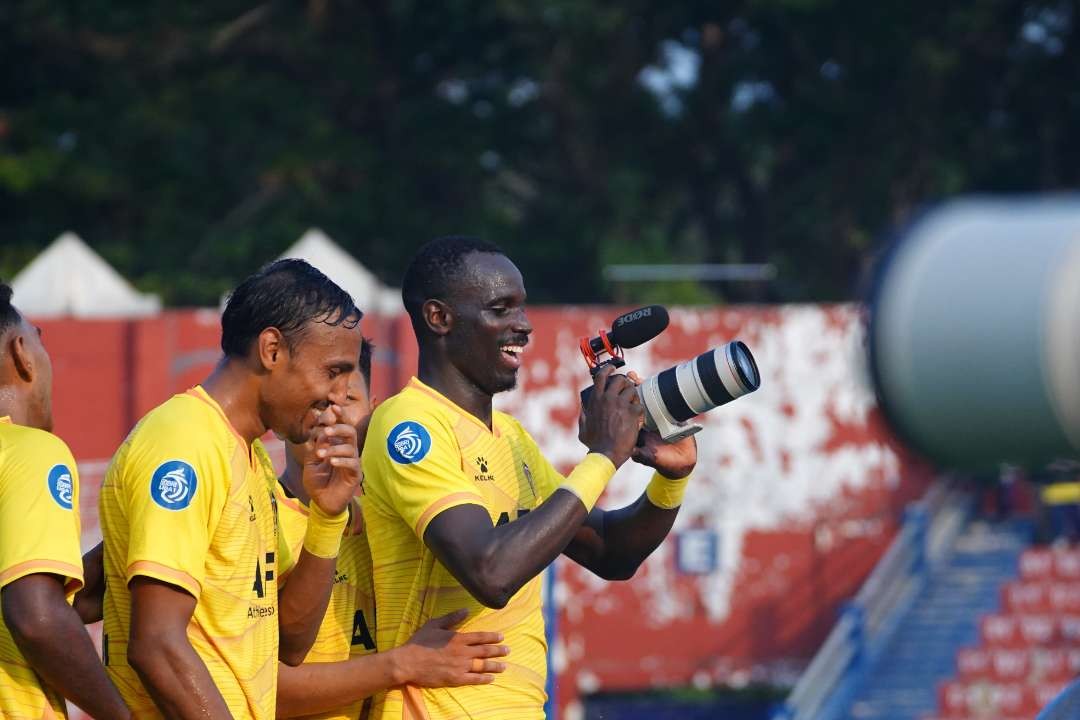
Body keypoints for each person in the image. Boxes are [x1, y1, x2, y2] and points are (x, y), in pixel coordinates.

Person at [361, 237, 697, 719]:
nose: (523, 326)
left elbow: (611, 552)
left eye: (522, 308)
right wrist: (602, 456)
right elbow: (491, 574)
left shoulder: (509, 437)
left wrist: (672, 479)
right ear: (439, 318)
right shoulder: (409, 423)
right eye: (501, 309)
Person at [100, 259, 365, 719]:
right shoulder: (184, 441)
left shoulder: (251, 458)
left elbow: (290, 646)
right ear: (272, 349)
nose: (340, 394)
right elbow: (157, 644)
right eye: (333, 370)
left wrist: (327, 517)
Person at [275, 338, 510, 719]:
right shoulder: (259, 514)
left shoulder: (394, 521)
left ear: (372, 417)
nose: (331, 416)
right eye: (318, 401)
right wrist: (402, 664)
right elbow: (261, 687)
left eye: (346, 401)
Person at [0, 283, 130, 719]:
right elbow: (37, 618)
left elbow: (49, 603)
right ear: (21, 353)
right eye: (40, 338)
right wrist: (120, 714)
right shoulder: (31, 453)